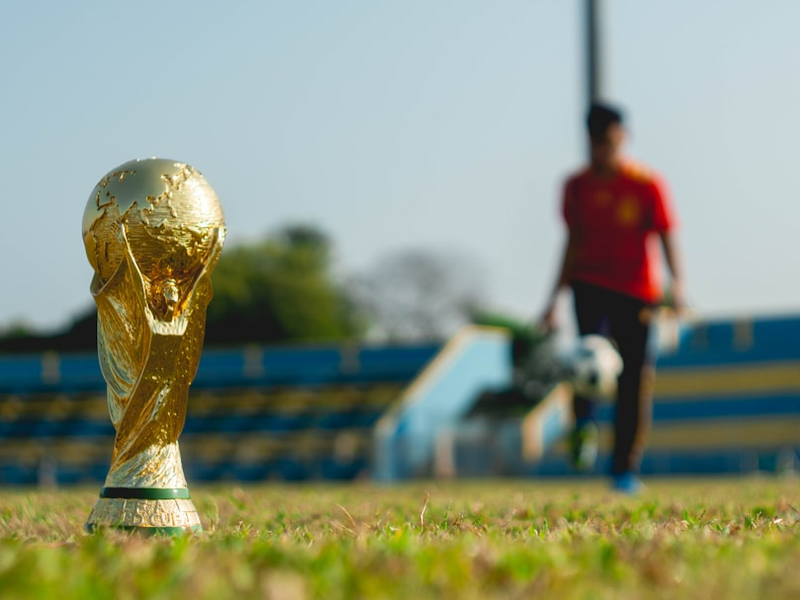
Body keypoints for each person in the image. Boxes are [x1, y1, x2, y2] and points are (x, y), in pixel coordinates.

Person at [540, 101, 686, 494]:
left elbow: (666, 234)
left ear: (623, 136)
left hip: (638, 294)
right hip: (590, 287)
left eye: (610, 139)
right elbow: (570, 242)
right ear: (588, 141)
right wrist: (552, 300)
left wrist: (678, 287)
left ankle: (624, 470)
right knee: (588, 359)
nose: (605, 148)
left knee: (634, 382)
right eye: (597, 141)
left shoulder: (645, 184)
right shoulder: (577, 187)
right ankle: (583, 425)